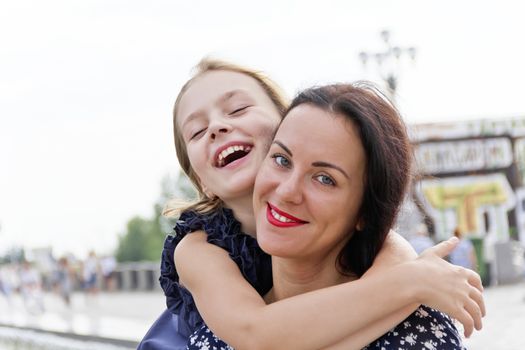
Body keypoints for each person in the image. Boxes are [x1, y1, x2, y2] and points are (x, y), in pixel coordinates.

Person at [139, 59, 484, 349]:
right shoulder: (198, 248)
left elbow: (401, 263)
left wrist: (414, 281)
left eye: (324, 178)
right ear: (199, 179)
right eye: (196, 132)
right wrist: (408, 286)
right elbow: (255, 334)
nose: (216, 127)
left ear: (281, 120)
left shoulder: (410, 314)